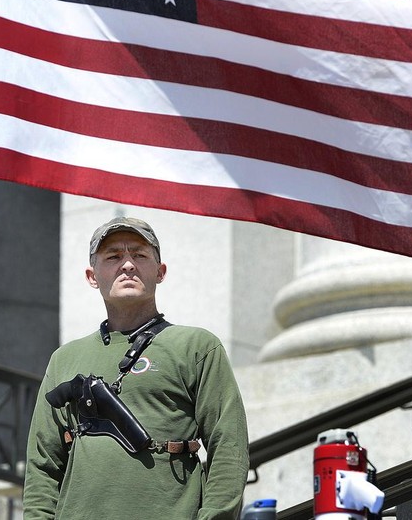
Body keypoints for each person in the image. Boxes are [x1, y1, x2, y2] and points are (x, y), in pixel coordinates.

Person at [24, 216, 250, 519]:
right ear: (92, 276)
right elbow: (42, 464)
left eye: (139, 255)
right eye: (114, 256)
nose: (127, 265)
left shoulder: (196, 346)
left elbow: (228, 447)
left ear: (160, 272)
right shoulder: (64, 359)